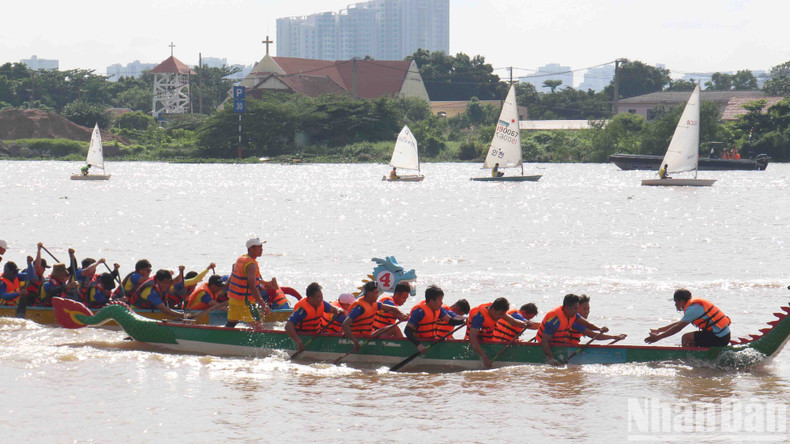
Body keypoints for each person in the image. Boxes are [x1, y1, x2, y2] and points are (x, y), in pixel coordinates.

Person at [536, 294, 609, 365]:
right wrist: (551, 359)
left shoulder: (574, 315)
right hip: (546, 345)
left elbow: (587, 324)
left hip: (558, 343)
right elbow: (544, 341)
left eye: (577, 308)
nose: (577, 311)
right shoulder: (555, 320)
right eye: (575, 308)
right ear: (567, 308)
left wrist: (599, 329)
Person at [644, 288, 731, 347]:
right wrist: (659, 330)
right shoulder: (693, 306)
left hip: (719, 338)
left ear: (681, 301)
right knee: (691, 338)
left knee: (686, 337)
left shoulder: (693, 309)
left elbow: (678, 328)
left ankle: (689, 359)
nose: (675, 305)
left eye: (675, 302)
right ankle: (697, 354)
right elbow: (679, 323)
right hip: (721, 335)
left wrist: (658, 338)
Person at [341, 281, 408, 351]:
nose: (378, 295)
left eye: (378, 292)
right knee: (395, 328)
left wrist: (402, 314)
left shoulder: (375, 304)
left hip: (369, 335)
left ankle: (403, 349)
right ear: (368, 294)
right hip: (358, 337)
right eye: (375, 293)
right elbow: (345, 324)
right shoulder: (359, 308)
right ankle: (403, 350)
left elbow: (392, 308)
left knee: (394, 328)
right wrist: (354, 341)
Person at [466, 297, 529, 368]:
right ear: (493, 310)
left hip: (487, 342)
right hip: (473, 344)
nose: (501, 317)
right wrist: (484, 357)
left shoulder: (498, 311)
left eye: (503, 314)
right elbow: (472, 338)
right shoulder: (479, 316)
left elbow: (512, 321)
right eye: (500, 315)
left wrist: (525, 324)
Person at [226, 238, 271, 331]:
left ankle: (221, 340)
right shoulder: (251, 265)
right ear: (251, 249)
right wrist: (263, 304)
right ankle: (259, 345)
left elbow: (239, 278)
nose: (262, 250)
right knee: (258, 326)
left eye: (262, 247)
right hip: (245, 301)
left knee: (231, 323)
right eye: (259, 247)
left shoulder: (241, 259)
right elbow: (252, 287)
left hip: (234, 299)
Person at [404, 285, 466, 353]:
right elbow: (407, 330)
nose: (442, 303)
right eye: (439, 300)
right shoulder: (419, 312)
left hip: (431, 341)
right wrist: (419, 345)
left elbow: (451, 321)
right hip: (419, 342)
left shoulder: (439, 310)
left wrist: (464, 321)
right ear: (431, 301)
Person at [285, 282, 344, 353]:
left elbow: (333, 309)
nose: (320, 299)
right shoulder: (302, 310)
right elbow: (288, 326)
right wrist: (299, 341)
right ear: (310, 298)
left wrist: (339, 310)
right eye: (318, 297)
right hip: (303, 336)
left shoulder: (322, 303)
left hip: (316, 335)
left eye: (321, 297)